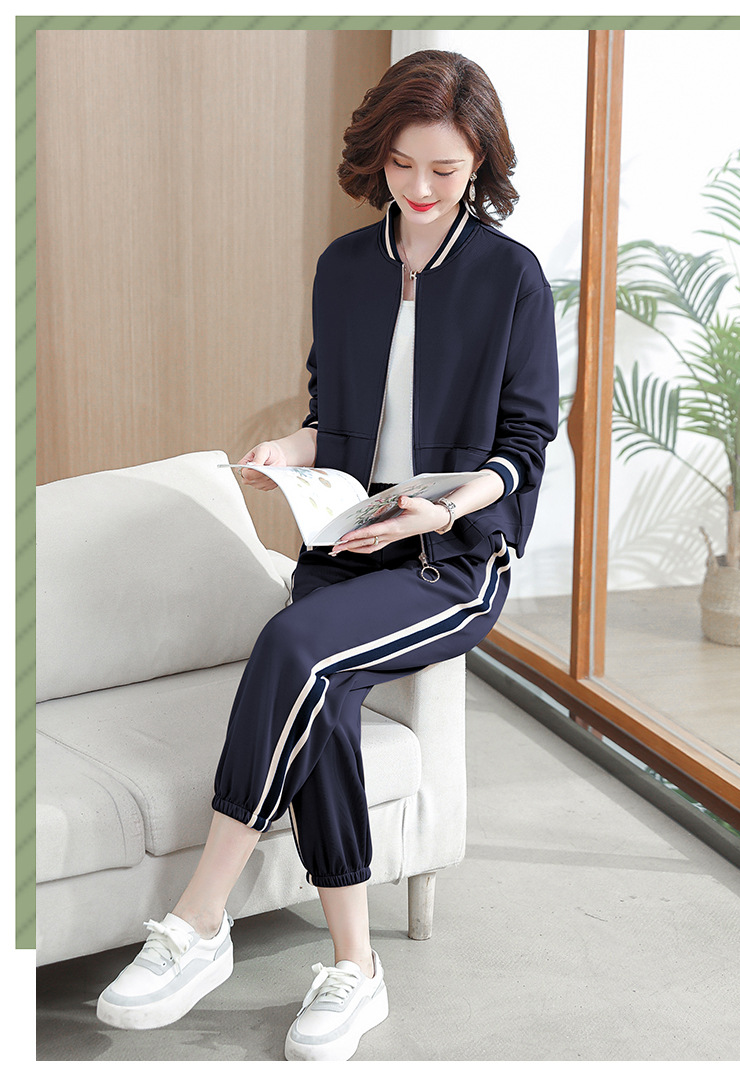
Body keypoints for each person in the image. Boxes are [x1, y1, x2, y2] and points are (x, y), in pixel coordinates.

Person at [96, 48, 559, 1061]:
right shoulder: (345, 267)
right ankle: (355, 969)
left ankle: (199, 919)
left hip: (450, 558)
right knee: (324, 701)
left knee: (292, 649)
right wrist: (289, 451)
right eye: (402, 164)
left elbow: (524, 448)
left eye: (445, 170)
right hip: (346, 542)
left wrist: (439, 512)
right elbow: (333, 420)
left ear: (480, 163)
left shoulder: (510, 278)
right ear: (376, 155)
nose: (421, 188)